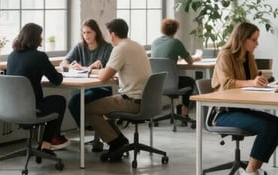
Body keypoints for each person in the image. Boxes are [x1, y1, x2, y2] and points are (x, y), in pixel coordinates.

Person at [210, 22, 278, 175]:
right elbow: (226, 83)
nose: (257, 44)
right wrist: (252, 81)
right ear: (242, 39)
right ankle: (250, 170)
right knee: (267, 126)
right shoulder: (225, 55)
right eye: (254, 40)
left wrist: (261, 82)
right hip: (224, 113)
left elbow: (252, 81)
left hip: (242, 108)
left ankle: (254, 168)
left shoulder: (249, 56)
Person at [84, 18, 151, 161]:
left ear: (113, 34)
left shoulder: (120, 48)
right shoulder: (136, 45)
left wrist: (91, 70)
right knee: (102, 107)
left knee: (88, 108)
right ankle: (119, 140)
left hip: (132, 101)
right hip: (145, 100)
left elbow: (103, 77)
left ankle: (115, 143)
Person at [6, 22, 69, 150]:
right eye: (40, 35)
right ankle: (47, 143)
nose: (42, 38)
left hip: (11, 108)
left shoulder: (11, 56)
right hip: (32, 108)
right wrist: (62, 73)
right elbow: (56, 80)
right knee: (59, 101)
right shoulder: (39, 56)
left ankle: (48, 142)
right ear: (35, 38)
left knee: (53, 102)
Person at [61, 18, 113, 145]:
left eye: (89, 32)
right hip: (84, 87)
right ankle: (92, 128)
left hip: (102, 88)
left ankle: (94, 128)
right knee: (74, 101)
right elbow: (64, 62)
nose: (86, 36)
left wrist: (86, 68)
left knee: (75, 100)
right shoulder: (80, 46)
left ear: (96, 32)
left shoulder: (107, 48)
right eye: (84, 33)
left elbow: (109, 71)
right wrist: (71, 66)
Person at [150, 17, 202, 122]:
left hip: (157, 84)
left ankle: (178, 109)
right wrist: (197, 57)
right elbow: (190, 61)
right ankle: (185, 111)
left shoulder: (154, 42)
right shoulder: (176, 43)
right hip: (172, 83)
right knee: (190, 81)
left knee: (179, 80)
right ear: (175, 30)